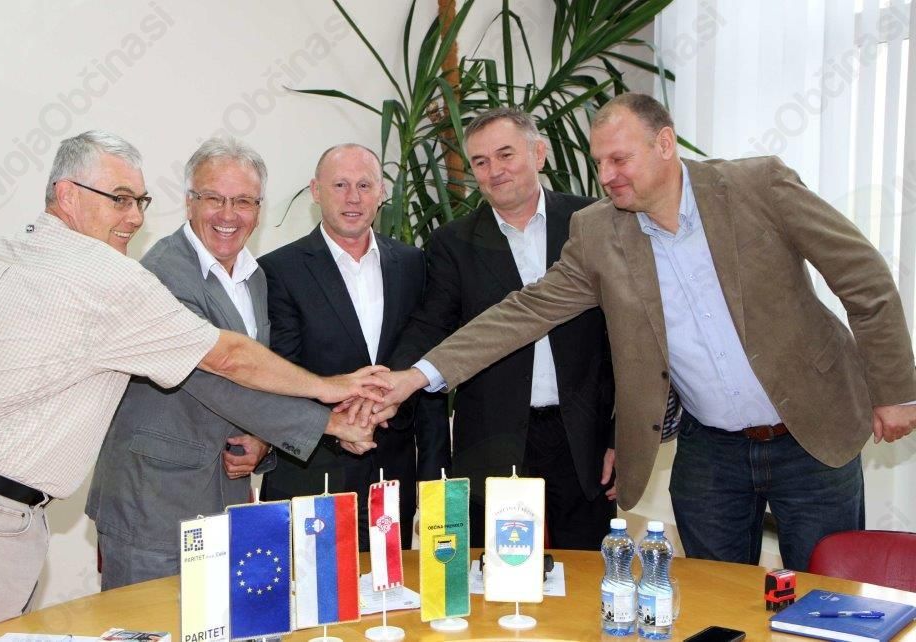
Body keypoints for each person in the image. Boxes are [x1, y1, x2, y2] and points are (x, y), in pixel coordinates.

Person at [376, 93, 916, 570]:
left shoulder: (757, 185)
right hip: (710, 452)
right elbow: (525, 311)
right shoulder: (598, 231)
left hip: (812, 432)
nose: (607, 175)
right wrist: (416, 376)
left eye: (619, 159)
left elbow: (861, 276)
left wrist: (894, 390)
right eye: (599, 163)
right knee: (716, 600)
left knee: (824, 599)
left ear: (664, 144)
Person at [0, 131, 388, 641]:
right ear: (67, 195)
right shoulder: (121, 278)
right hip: (56, 510)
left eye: (139, 201)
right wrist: (328, 402)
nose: (134, 217)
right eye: (120, 199)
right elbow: (223, 364)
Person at [85, 137, 372, 589]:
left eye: (243, 201)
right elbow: (220, 376)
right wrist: (332, 422)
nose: (228, 214)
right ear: (189, 202)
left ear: (258, 209)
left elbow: (258, 378)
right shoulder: (162, 274)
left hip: (222, 499)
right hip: (153, 506)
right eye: (213, 199)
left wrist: (262, 441)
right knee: (148, 623)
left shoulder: (252, 276)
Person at [391, 107, 617, 549]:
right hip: (493, 442)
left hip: (584, 443)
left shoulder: (592, 222)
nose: (494, 170)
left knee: (586, 573)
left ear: (539, 154)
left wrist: (620, 439)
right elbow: (430, 327)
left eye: (505, 154)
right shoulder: (452, 242)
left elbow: (624, 340)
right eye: (480, 161)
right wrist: (387, 384)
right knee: (497, 573)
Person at [258, 143, 450, 550]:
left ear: (382, 192)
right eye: (340, 185)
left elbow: (427, 368)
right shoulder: (278, 269)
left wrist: (435, 481)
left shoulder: (413, 264)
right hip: (312, 474)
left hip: (392, 476)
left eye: (364, 185)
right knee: (313, 588)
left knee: (391, 588)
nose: (353, 198)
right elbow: (280, 373)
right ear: (316, 191)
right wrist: (339, 425)